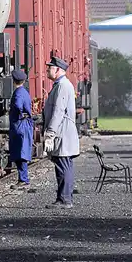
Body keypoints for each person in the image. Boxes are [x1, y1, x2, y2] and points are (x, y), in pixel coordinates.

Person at [43, 56, 80, 208]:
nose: (47, 70)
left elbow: (58, 111)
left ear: (58, 70)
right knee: (64, 165)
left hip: (62, 132)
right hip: (63, 130)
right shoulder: (61, 85)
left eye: (50, 67)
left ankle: (65, 199)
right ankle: (64, 198)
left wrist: (50, 133)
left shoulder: (63, 86)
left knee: (63, 165)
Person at [8, 68, 33, 186]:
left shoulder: (18, 93)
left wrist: (19, 114)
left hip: (19, 124)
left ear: (14, 81)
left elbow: (18, 105)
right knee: (22, 150)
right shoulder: (25, 92)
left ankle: (23, 179)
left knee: (20, 152)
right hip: (24, 123)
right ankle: (23, 178)